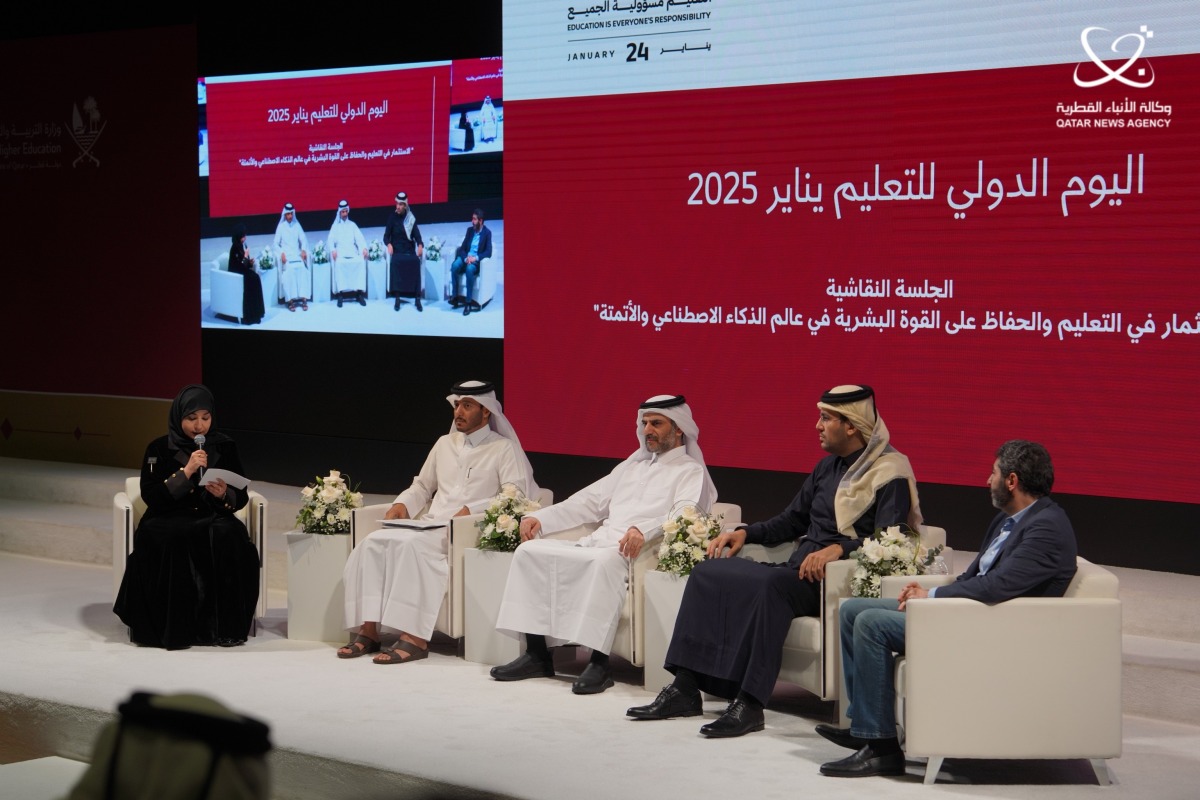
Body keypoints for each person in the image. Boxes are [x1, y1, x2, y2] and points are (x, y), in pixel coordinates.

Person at [628, 384, 922, 737]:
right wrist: (746, 533)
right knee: (708, 572)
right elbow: (792, 520)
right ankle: (686, 688)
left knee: (769, 587)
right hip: (796, 569)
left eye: (826, 418)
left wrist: (841, 549)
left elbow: (893, 538)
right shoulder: (827, 468)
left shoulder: (890, 473)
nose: (817, 425)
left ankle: (750, 704)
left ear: (852, 425)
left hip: (833, 579)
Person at [817, 440, 1077, 778]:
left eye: (993, 473)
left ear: (1011, 481)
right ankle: (864, 724)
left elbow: (999, 586)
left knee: (871, 623)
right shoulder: (1010, 520)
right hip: (970, 612)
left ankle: (881, 749)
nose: (987, 480)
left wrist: (933, 597)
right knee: (853, 609)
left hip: (992, 627)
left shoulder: (1046, 528)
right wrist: (928, 591)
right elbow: (976, 575)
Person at [491, 394, 718, 695]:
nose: (648, 429)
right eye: (645, 423)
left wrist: (643, 530)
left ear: (679, 429)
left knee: (603, 562)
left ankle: (599, 663)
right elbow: (588, 502)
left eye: (657, 423)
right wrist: (542, 518)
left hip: (636, 552)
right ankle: (537, 655)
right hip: (599, 542)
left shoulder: (690, 470)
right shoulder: (632, 466)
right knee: (528, 551)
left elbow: (685, 514)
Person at [339, 380, 537, 664]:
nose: (459, 411)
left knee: (412, 548)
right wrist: (402, 504)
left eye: (467, 406)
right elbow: (422, 486)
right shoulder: (444, 443)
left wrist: (472, 508)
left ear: (486, 412)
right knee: (372, 543)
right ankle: (369, 630)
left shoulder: (504, 449)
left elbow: (515, 495)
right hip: (431, 523)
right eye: (457, 405)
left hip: (465, 531)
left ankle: (415, 638)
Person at [114, 384, 260, 649]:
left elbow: (242, 495)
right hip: (169, 515)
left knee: (230, 534)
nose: (199, 426)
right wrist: (187, 472)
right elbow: (151, 495)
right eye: (191, 419)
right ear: (178, 417)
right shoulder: (158, 448)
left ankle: (223, 628)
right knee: (168, 537)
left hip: (210, 514)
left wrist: (224, 494)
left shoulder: (225, 446)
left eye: (205, 418)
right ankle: (174, 629)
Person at [383, 191, 424, 312]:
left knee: (415, 262)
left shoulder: (410, 219)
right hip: (397, 251)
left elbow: (417, 235)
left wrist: (420, 245)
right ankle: (397, 296)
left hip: (409, 250)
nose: (398, 207)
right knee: (396, 262)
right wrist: (389, 244)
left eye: (401, 204)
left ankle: (417, 297)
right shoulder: (392, 218)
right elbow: (386, 236)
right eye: (397, 204)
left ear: (405, 205)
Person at [449, 209, 492, 316]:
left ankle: (468, 302)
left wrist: (475, 258)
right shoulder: (470, 230)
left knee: (469, 269)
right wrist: (465, 258)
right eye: (472, 219)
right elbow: (462, 248)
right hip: (466, 258)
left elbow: (488, 252)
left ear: (481, 221)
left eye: (474, 219)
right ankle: (455, 297)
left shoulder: (487, 233)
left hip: (475, 261)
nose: (472, 221)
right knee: (454, 266)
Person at [328, 199, 368, 307]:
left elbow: (359, 239)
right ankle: (341, 293)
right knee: (340, 264)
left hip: (352, 252)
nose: (344, 214)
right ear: (339, 213)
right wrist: (333, 250)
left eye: (346, 211)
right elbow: (330, 240)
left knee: (359, 262)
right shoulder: (335, 226)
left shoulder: (352, 225)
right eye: (342, 212)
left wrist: (363, 248)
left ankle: (358, 293)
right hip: (340, 253)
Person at [273, 202, 310, 311]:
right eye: (288, 214)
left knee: (303, 269)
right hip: (287, 258)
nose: (289, 216)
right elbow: (275, 243)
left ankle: (304, 299)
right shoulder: (281, 227)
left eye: (291, 214)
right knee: (289, 271)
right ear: (284, 214)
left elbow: (303, 239)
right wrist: (281, 253)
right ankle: (290, 301)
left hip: (296, 255)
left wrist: (303, 249)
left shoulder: (297, 225)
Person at [226, 224, 264, 325]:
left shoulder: (243, 245)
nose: (245, 238)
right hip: (236, 274)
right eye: (243, 236)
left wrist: (249, 262)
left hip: (242, 271)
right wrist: (246, 257)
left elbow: (245, 265)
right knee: (251, 281)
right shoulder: (235, 248)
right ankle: (250, 316)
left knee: (256, 277)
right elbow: (239, 266)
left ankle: (257, 312)